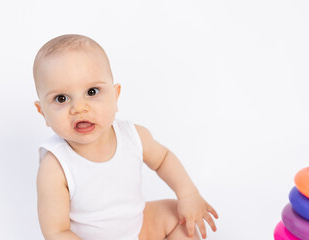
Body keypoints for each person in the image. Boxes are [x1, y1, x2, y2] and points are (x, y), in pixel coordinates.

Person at [33, 34, 218, 240]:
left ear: (115, 96)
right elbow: (56, 231)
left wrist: (188, 194)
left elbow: (163, 159)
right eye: (61, 98)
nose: (79, 108)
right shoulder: (55, 166)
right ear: (43, 113)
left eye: (92, 91)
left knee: (179, 216)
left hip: (138, 229)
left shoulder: (133, 136)